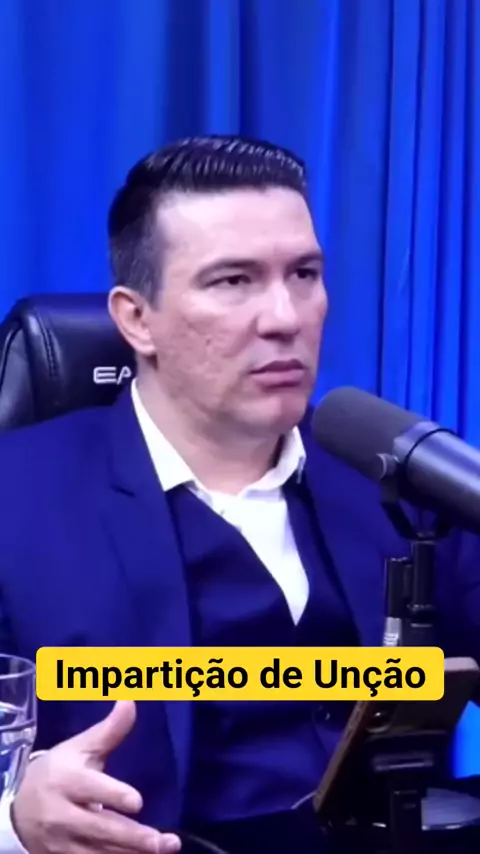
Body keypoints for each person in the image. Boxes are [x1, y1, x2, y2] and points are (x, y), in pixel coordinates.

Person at [0, 134, 479, 854]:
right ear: (136, 319)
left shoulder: (399, 478)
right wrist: (14, 817)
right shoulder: (17, 498)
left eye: (305, 274)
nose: (285, 317)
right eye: (233, 281)